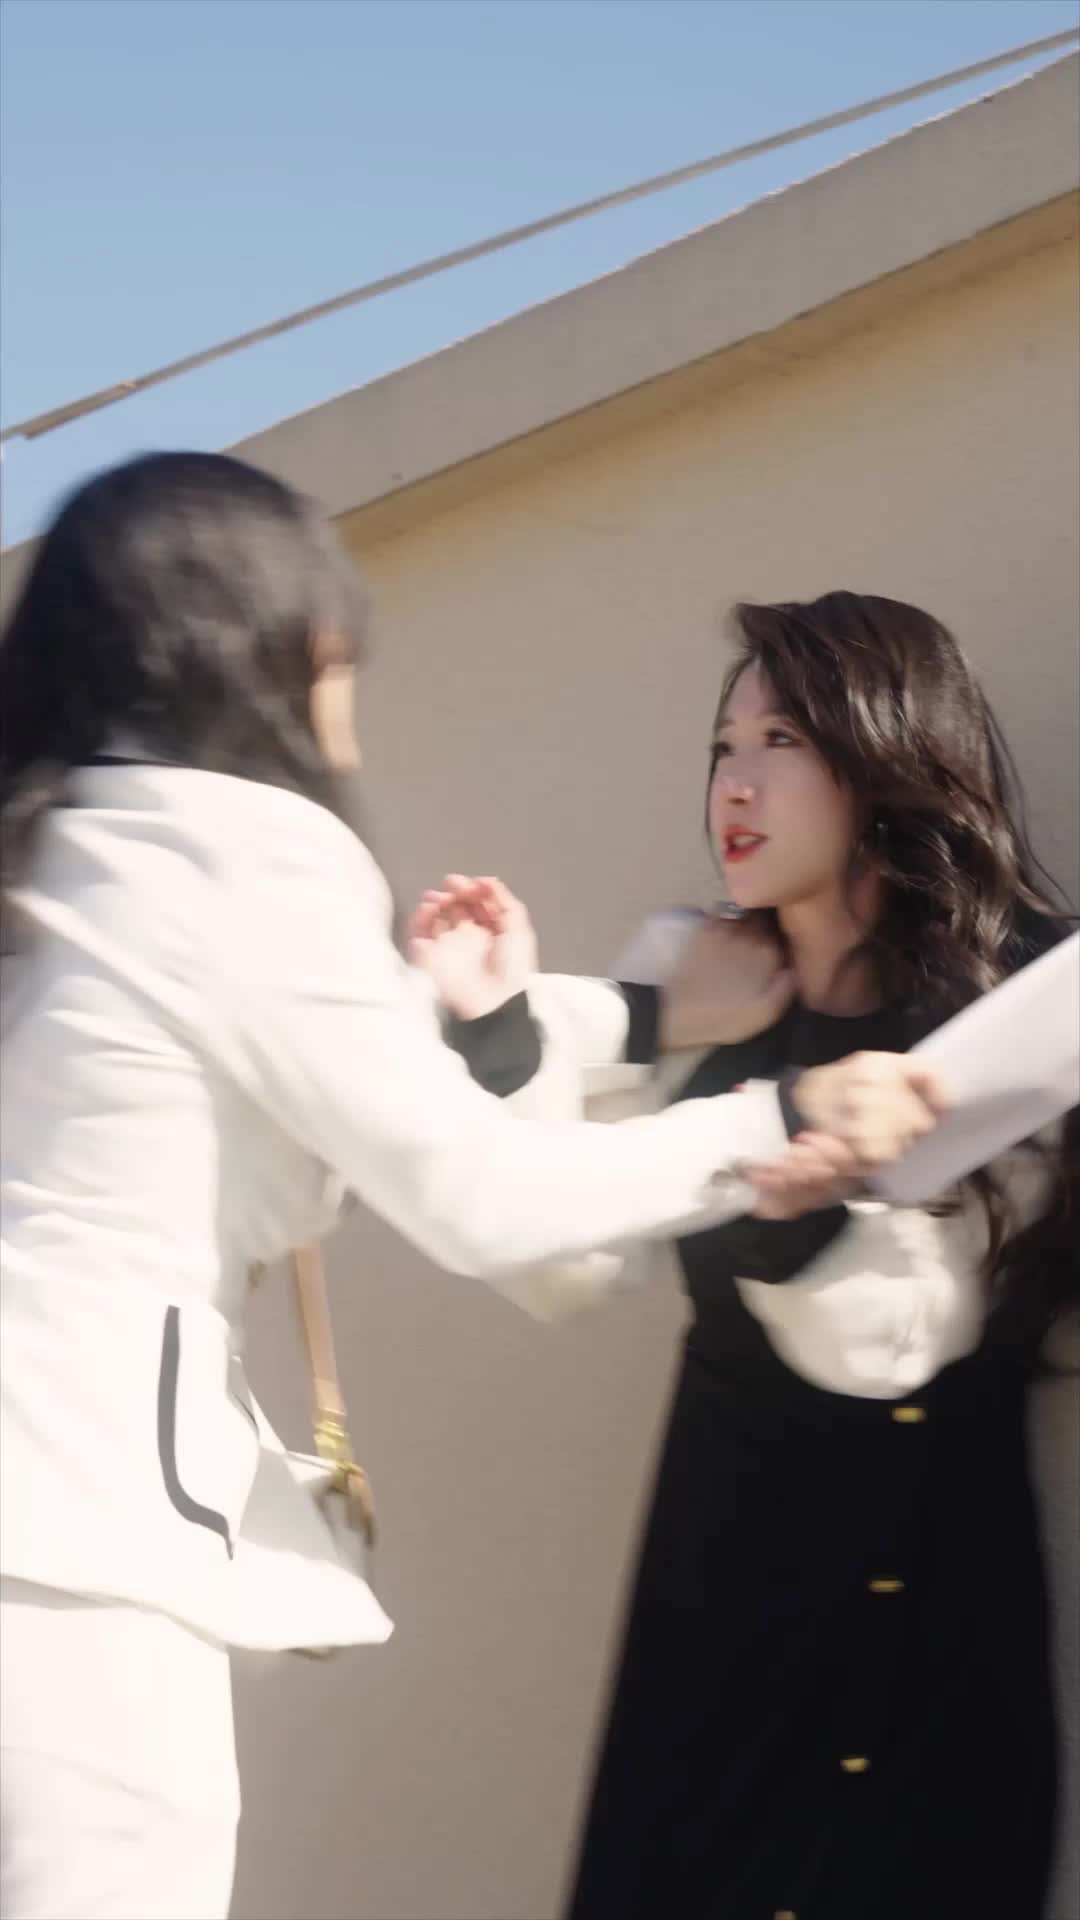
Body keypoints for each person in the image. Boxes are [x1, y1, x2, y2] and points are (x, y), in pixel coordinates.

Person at [0, 464, 938, 1920]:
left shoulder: (67, 859)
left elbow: (293, 1087)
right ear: (276, 647)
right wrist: (783, 1113)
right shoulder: (232, 852)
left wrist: (629, 1019)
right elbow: (484, 1198)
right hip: (63, 1545)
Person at [411, 592, 1079, 1920]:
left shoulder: (1021, 988)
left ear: (882, 750)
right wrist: (502, 1030)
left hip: (937, 1598)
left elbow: (913, 1329)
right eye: (725, 745)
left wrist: (795, 1184)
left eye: (782, 741)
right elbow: (561, 1260)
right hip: (727, 1583)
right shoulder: (696, 971)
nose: (735, 782)